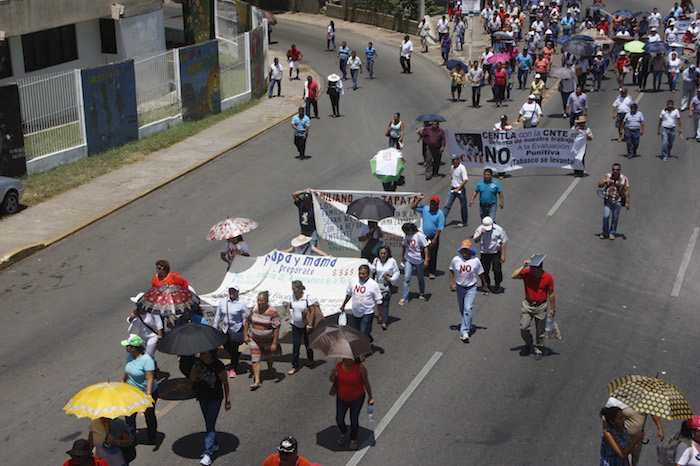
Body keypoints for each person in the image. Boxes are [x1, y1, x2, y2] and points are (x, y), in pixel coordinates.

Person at [510, 255, 556, 360]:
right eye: (530, 268)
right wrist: (523, 266)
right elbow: (513, 276)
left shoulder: (548, 278)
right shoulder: (527, 274)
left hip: (541, 306)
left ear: (539, 269)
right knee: (524, 327)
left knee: (540, 330)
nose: (531, 270)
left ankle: (539, 347)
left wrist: (553, 308)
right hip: (528, 305)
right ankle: (528, 342)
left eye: (533, 269)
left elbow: (551, 293)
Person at [190, 349, 230, 466]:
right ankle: (214, 444)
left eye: (204, 353)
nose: (201, 354)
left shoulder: (218, 366)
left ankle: (208, 453)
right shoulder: (198, 363)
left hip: (215, 398)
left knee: (210, 424)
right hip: (203, 397)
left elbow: (225, 383)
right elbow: (192, 378)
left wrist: (228, 400)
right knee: (208, 422)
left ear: (211, 353)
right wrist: (197, 372)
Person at [603, 396, 664, 466]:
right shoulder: (610, 435)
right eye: (620, 418)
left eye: (623, 417)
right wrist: (636, 440)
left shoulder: (624, 432)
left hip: (634, 443)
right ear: (612, 421)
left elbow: (625, 458)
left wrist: (660, 428)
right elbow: (623, 455)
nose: (624, 420)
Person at [329, 357, 374, 451]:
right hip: (342, 398)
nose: (348, 359)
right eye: (346, 357)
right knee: (339, 418)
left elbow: (366, 383)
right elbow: (332, 379)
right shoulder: (338, 366)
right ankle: (344, 432)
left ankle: (353, 439)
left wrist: (370, 397)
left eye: (350, 358)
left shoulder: (360, 368)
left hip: (357, 399)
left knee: (354, 419)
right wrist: (333, 374)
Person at [449, 239, 488, 343]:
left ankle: (464, 332)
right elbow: (451, 270)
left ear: (470, 251)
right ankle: (468, 322)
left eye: (466, 250)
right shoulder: (456, 259)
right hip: (460, 287)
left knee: (468, 309)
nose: (464, 252)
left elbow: (481, 273)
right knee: (462, 309)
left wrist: (485, 284)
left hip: (471, 287)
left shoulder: (475, 261)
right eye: (463, 250)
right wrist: (451, 283)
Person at [122, 334, 158, 443]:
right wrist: (123, 382)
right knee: (129, 417)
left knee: (149, 415)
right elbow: (128, 370)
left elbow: (149, 378)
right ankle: (131, 439)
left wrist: (148, 395)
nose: (125, 347)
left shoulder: (147, 360)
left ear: (133, 348)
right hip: (132, 393)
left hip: (146, 392)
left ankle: (152, 438)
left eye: (127, 345)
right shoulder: (130, 356)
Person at [243, 291, 281, 390]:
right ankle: (257, 381)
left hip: (268, 340)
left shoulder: (272, 312)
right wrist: (246, 335)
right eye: (258, 300)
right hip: (255, 339)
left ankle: (270, 370)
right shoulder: (253, 309)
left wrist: (274, 343)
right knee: (255, 359)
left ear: (267, 301)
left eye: (261, 300)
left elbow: (276, 327)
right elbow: (247, 321)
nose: (259, 302)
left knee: (268, 356)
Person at [339, 264, 383, 343]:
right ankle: (368, 339)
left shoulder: (373, 285)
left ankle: (362, 353)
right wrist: (343, 305)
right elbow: (349, 294)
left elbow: (378, 301)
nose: (361, 276)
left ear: (368, 274)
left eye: (363, 274)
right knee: (359, 331)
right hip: (356, 312)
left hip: (367, 312)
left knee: (362, 332)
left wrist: (380, 315)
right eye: (359, 273)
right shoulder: (353, 281)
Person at [282, 280, 318, 375]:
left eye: (295, 289)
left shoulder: (307, 298)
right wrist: (287, 305)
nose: (293, 291)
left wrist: (310, 324)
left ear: (300, 289)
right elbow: (292, 307)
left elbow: (312, 311)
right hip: (295, 325)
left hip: (306, 326)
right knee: (296, 345)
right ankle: (295, 365)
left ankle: (310, 359)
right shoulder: (292, 297)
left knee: (308, 344)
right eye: (292, 289)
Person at [214, 285, 249, 378]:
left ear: (237, 292)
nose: (232, 293)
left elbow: (245, 319)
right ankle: (236, 356)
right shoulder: (223, 302)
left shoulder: (241, 304)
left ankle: (233, 367)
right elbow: (218, 316)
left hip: (236, 330)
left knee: (233, 349)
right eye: (230, 291)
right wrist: (215, 328)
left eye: (234, 291)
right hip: (225, 329)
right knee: (225, 346)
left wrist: (246, 332)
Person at [411, 193, 445, 280]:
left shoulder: (440, 214)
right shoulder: (425, 209)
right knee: (422, 252)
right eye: (431, 203)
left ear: (437, 205)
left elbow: (440, 228)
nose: (432, 205)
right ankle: (423, 267)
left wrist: (434, 239)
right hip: (424, 236)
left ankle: (432, 271)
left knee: (433, 254)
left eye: (434, 204)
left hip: (434, 236)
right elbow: (413, 207)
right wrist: (419, 199)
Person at [473, 216, 508, 293]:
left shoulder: (499, 229)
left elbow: (503, 241)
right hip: (485, 253)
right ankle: (486, 285)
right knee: (484, 271)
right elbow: (475, 240)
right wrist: (481, 234)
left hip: (495, 253)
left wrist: (503, 255)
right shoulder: (479, 229)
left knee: (497, 269)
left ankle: (497, 284)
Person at [369, 245, 399, 331]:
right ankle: (380, 315)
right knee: (378, 302)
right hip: (377, 285)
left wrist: (391, 279)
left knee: (385, 303)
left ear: (388, 253)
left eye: (385, 253)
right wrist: (367, 263)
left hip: (387, 285)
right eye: (381, 253)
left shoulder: (392, 261)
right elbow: (373, 270)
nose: (383, 255)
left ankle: (384, 321)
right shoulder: (376, 260)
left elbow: (397, 272)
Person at [399, 222, 428, 305]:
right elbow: (404, 245)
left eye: (407, 231)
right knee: (407, 278)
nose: (406, 233)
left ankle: (422, 293)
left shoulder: (419, 236)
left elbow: (426, 247)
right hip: (409, 259)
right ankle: (404, 297)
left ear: (411, 230)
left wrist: (426, 260)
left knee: (420, 277)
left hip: (419, 260)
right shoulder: (406, 236)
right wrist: (403, 255)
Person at [598, 163, 630, 240]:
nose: (615, 171)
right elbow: (599, 185)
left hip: (617, 201)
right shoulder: (608, 176)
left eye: (617, 170)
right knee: (606, 216)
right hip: (608, 200)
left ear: (620, 170)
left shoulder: (624, 179)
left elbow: (626, 190)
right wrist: (606, 182)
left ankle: (612, 233)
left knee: (615, 217)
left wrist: (627, 202)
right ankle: (605, 232)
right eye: (614, 170)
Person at [127, 294, 163, 362]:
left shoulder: (152, 310)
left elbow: (158, 322)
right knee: (145, 355)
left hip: (152, 336)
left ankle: (151, 369)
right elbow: (130, 321)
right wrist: (132, 316)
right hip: (142, 337)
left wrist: (159, 334)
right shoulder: (136, 312)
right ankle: (154, 368)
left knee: (149, 354)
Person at [443, 156, 468, 227]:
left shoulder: (462, 168)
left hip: (460, 189)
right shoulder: (452, 167)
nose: (453, 161)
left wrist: (458, 188)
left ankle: (464, 221)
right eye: (452, 160)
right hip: (453, 189)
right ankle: (442, 221)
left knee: (463, 206)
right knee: (447, 205)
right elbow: (452, 176)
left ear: (458, 160)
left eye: (454, 160)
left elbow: (465, 179)